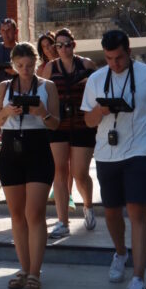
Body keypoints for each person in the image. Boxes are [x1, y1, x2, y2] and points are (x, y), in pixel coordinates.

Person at [81, 29, 146, 289]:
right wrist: (101, 111)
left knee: (137, 210)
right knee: (111, 212)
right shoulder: (96, 79)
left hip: (139, 151)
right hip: (106, 154)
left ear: (129, 51)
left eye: (119, 58)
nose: (115, 64)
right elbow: (87, 121)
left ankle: (138, 278)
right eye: (109, 58)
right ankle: (120, 253)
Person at [0, 42, 60, 289]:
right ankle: (24, 268)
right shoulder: (4, 87)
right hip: (11, 148)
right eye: (20, 65)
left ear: (36, 63)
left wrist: (42, 113)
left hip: (38, 148)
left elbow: (56, 124)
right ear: (13, 65)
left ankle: (35, 273)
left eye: (30, 65)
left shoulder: (47, 86)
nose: (26, 70)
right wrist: (7, 111)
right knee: (17, 214)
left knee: (35, 213)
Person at [43, 28, 98, 238]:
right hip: (59, 125)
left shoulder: (86, 65)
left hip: (83, 124)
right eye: (59, 45)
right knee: (59, 172)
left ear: (74, 45)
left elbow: (99, 90)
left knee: (79, 173)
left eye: (67, 44)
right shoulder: (50, 67)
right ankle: (62, 221)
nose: (64, 48)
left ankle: (88, 206)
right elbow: (43, 94)